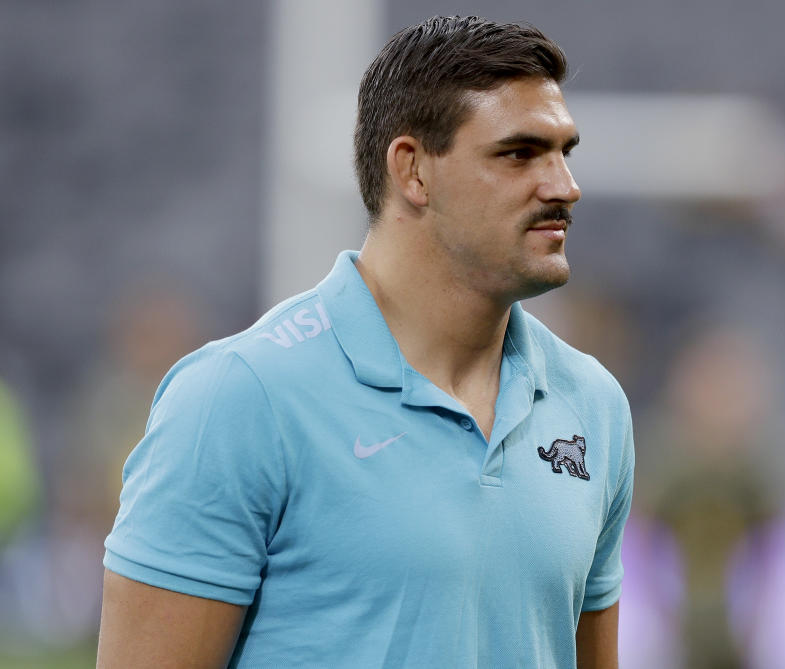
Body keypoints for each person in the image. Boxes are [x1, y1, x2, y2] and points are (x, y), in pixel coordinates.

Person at [97, 15, 634, 669]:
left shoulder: (594, 406)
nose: (564, 186)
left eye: (563, 151)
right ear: (413, 171)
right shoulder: (240, 398)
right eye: (519, 153)